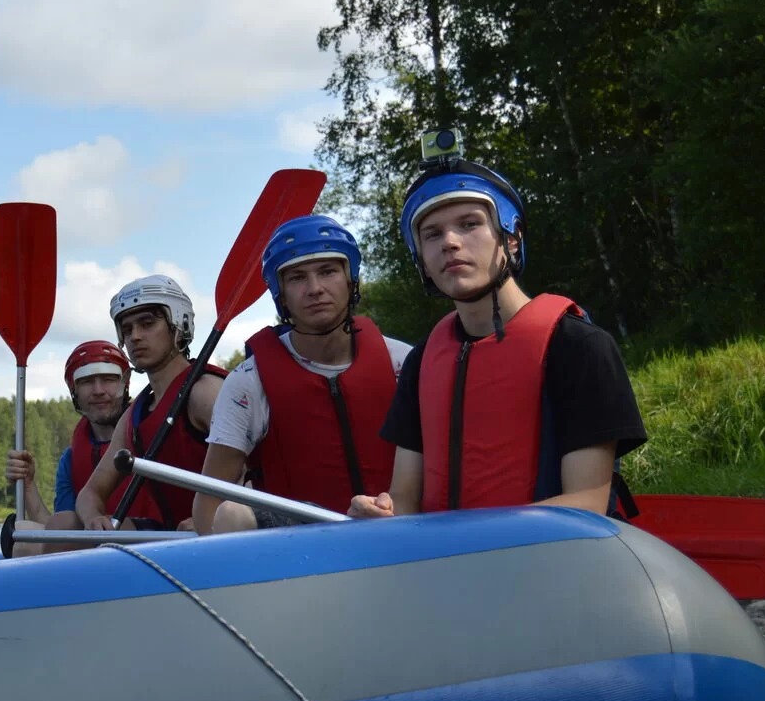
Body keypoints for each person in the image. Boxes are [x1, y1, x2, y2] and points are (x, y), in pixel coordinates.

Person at [347, 133, 646, 519]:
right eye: (431, 233)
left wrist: (469, 537)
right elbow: (404, 497)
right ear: (421, 259)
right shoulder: (421, 363)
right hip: (447, 556)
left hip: (555, 555)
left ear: (512, 238)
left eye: (469, 224)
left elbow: (586, 505)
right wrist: (380, 514)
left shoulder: (580, 347)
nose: (449, 242)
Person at [193, 216, 411, 533]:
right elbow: (208, 508)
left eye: (328, 271)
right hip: (298, 550)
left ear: (351, 280)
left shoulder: (403, 363)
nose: (315, 289)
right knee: (232, 514)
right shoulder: (248, 382)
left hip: (399, 535)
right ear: (280, 294)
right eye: (296, 278)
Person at [74, 275, 225, 531]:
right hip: (171, 535)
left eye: (147, 324)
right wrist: (93, 518)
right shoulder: (135, 416)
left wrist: (208, 517)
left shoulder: (205, 393)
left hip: (229, 531)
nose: (135, 337)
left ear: (179, 324)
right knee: (65, 523)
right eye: (127, 329)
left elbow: (255, 476)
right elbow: (90, 493)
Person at [3, 340, 130, 555]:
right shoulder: (71, 459)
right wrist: (28, 485)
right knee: (21, 532)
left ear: (124, 384)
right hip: (94, 547)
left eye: (109, 379)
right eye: (86, 382)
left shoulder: (148, 433)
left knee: (26, 540)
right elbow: (59, 526)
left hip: (153, 541)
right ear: (74, 391)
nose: (98, 390)